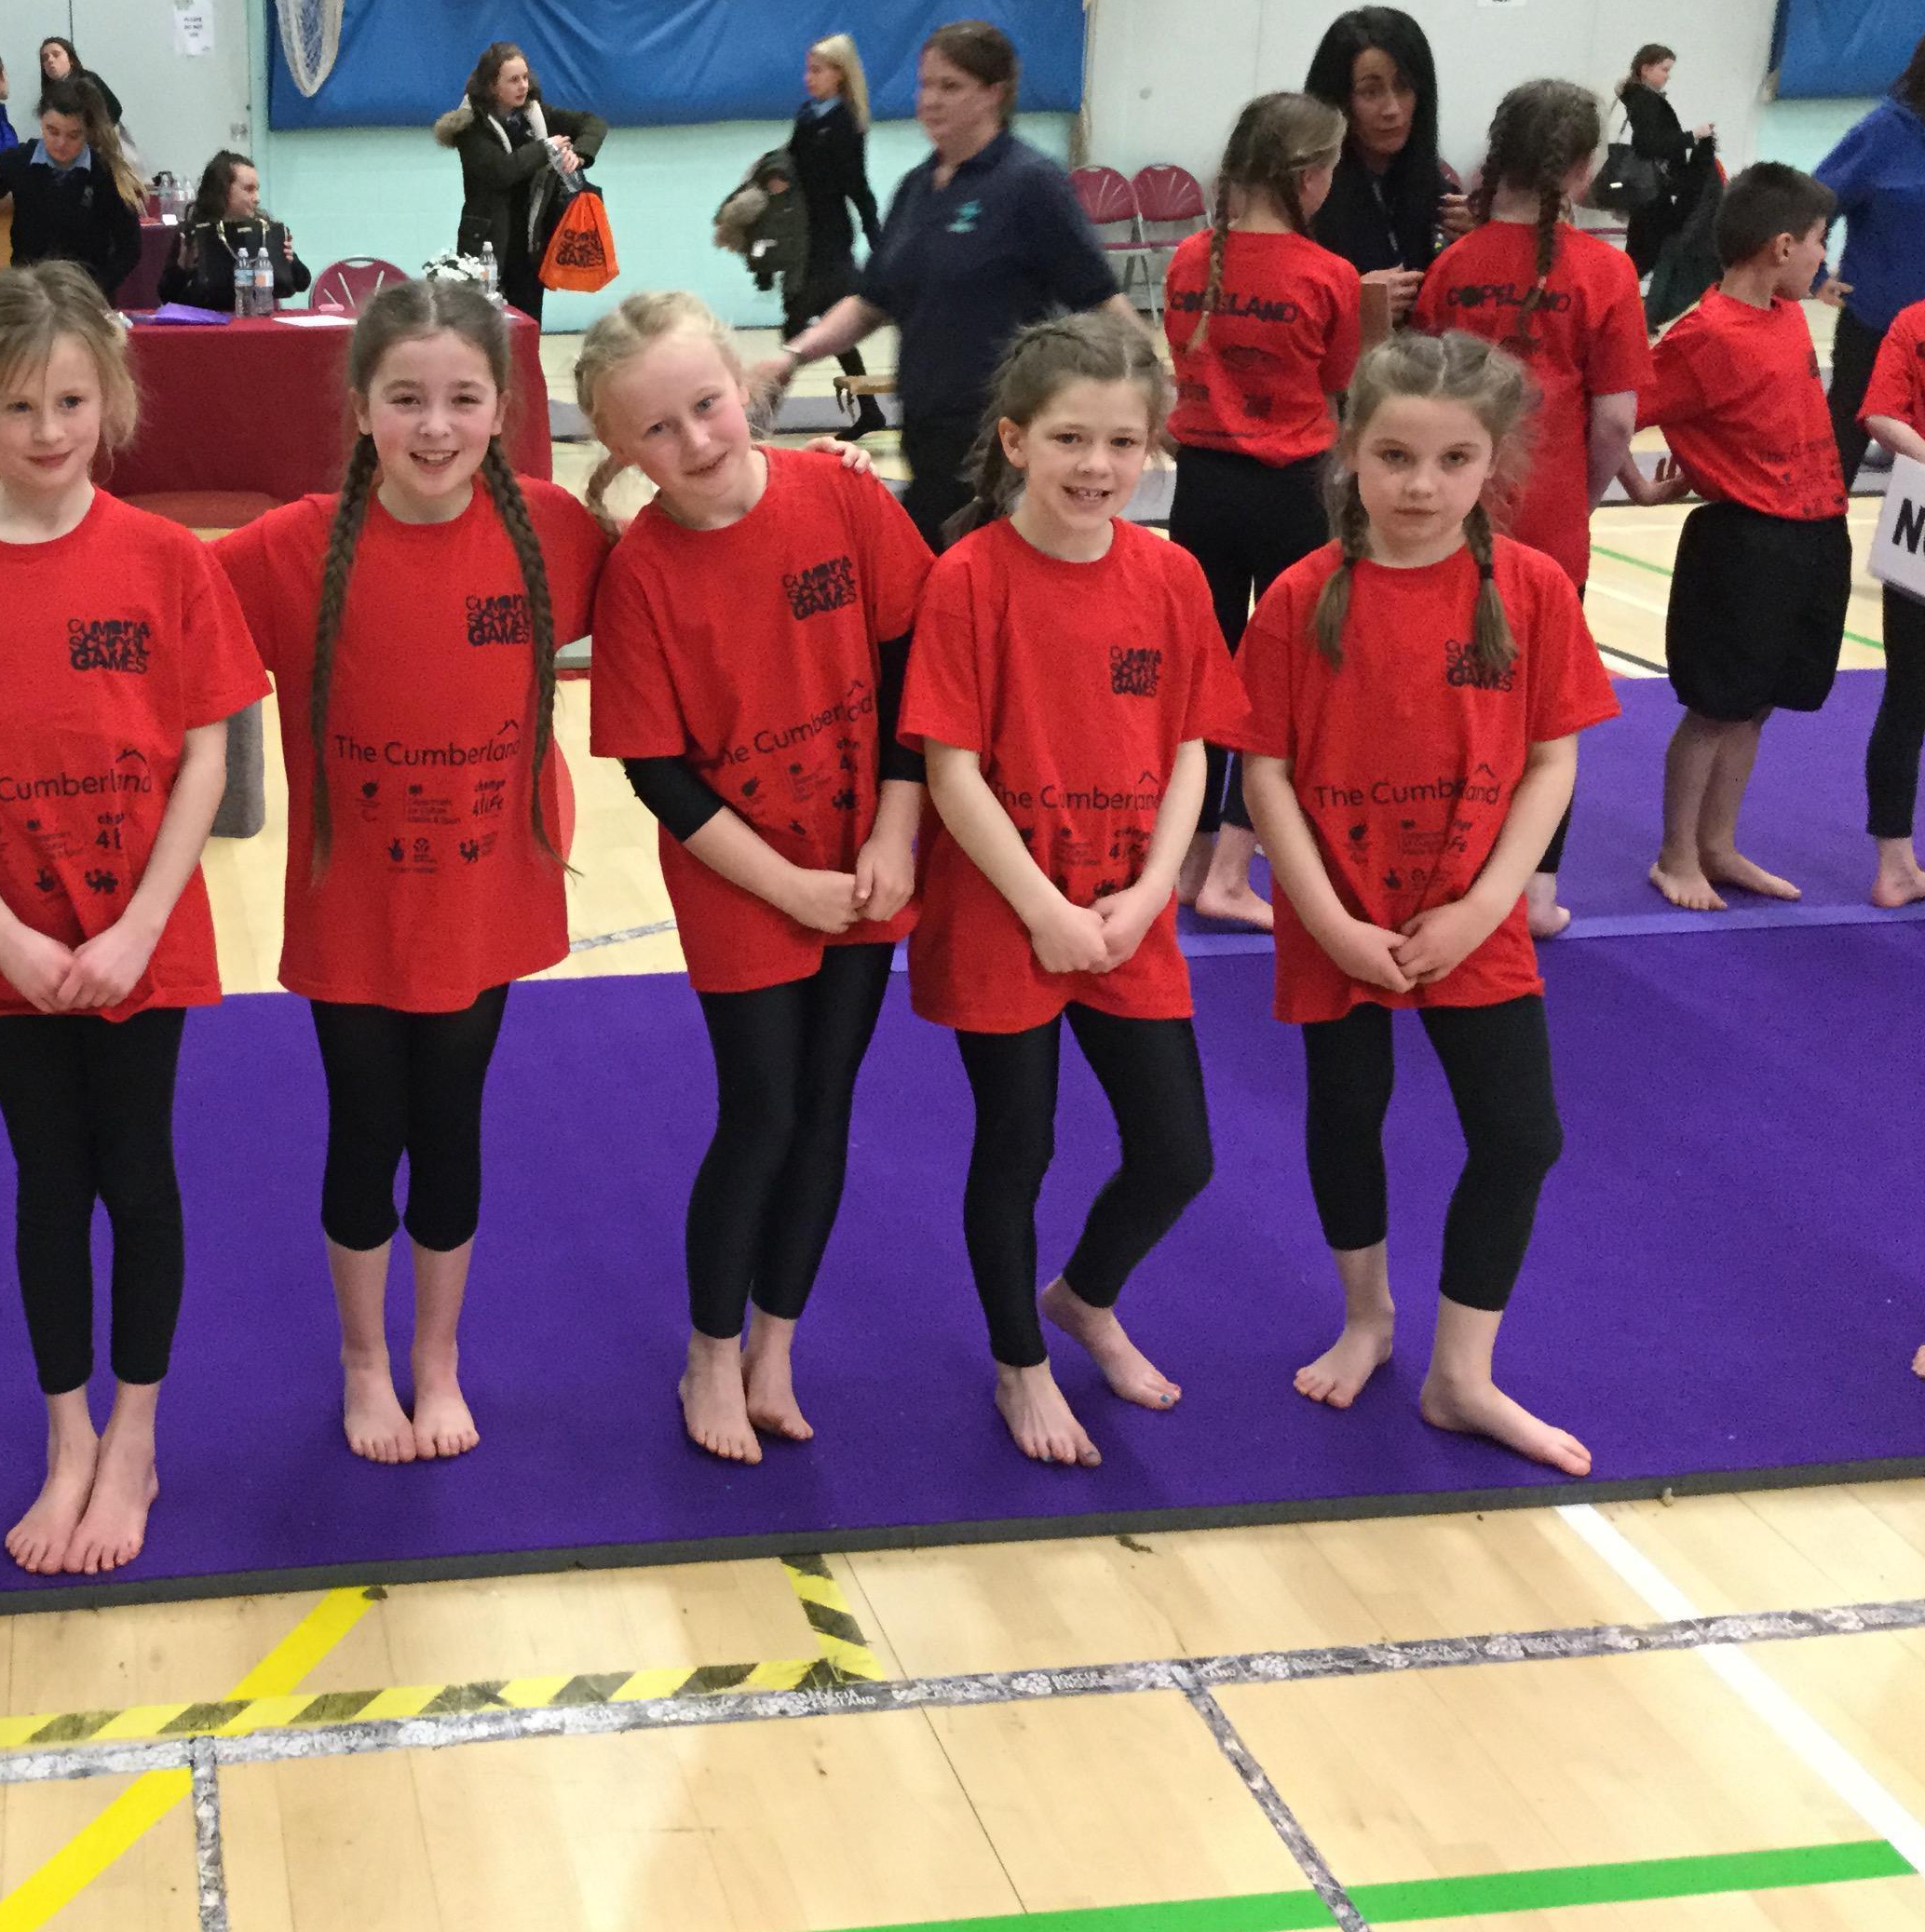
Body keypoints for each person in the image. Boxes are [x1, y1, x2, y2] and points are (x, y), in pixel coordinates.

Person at [0, 264, 267, 1576]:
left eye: (71, 401)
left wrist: (139, 927)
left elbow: (207, 748)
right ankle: (68, 1433)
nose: (47, 430)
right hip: (8, 943)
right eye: (18, 406)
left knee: (136, 1170)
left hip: (142, 935)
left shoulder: (166, 562)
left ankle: (135, 1436)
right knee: (48, 1179)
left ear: (110, 401)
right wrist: (0, 933)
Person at [212, 280, 605, 1462]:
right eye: (406, 399)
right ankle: (364, 1362)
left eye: (463, 399)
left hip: (482, 894)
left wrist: (813, 474)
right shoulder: (288, 549)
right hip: (356, 907)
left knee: (450, 1125)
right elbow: (147, 590)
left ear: (504, 407)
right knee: (364, 1127)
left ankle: (437, 1357)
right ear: (360, 407)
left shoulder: (552, 530)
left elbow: (697, 553)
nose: (435, 428)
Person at [1239, 331, 1616, 1479]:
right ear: (1351, 451)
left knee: (1522, 1135)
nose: (1421, 486)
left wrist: (1486, 905)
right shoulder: (1299, 599)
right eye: (1395, 457)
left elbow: (1552, 759)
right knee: (1348, 1113)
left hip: (1470, 910)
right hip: (1339, 907)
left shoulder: (1531, 589)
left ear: (1493, 463)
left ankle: (1462, 1374)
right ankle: (1368, 1316)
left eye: (1455, 461)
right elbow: (1265, 775)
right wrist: (1328, 921)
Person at [577, 289, 929, 1465]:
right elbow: (659, 776)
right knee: (764, 1109)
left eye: (707, 406)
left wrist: (892, 835)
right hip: (745, 884)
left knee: (826, 1107)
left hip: (864, 861)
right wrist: (785, 887)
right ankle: (711, 1350)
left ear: (744, 387)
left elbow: (913, 669)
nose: (694, 441)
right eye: (656, 429)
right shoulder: (642, 576)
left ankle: (776, 1347)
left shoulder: (842, 498)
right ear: (618, 448)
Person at [900, 312, 1241, 1469]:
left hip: (1126, 908)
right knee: (1020, 1144)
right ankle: (1020, 1361)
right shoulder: (969, 581)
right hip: (1008, 914)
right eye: (1069, 439)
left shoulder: (1171, 576)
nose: (1097, 466)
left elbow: (1192, 745)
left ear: (1152, 447)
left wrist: (1151, 895)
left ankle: (1083, 1297)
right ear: (1014, 441)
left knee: (1178, 1153)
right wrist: (1043, 909)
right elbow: (951, 769)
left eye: (1122, 442)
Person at [1415, 79, 1655, 937]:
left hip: (1449, 522)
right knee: (1542, 719)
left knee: (1447, 702)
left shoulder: (1455, 266)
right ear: (1582, 170)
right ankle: (1535, 889)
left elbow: (1420, 398)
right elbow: (1616, 420)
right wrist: (1580, 501)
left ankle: (1436, 869)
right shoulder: (1606, 272)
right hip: (1550, 528)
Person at [752, 20, 1133, 547]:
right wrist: (792, 356)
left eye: (950, 86)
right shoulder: (916, 189)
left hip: (1000, 445)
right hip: (925, 433)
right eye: (925, 84)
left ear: (995, 93)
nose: (930, 100)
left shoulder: (1030, 184)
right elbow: (871, 303)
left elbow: (1102, 300)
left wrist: (1149, 399)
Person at [1160, 91, 1365, 931]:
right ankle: (1231, 871)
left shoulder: (1187, 260)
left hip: (1202, 488)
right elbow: (1338, 387)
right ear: (1310, 178)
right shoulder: (1328, 276)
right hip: (1291, 491)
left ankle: (1189, 855)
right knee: (1282, 681)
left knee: (1200, 677)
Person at [1637, 163, 1850, 912]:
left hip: (1816, 531)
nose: (1824, 256)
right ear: (1781, 246)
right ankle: (1675, 855)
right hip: (1745, 543)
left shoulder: (1788, 315)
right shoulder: (1703, 335)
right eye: (1821, 241)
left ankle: (1718, 844)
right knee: (1717, 707)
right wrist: (1639, 485)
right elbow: (1617, 408)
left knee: (1759, 702)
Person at [1816, 26, 1925, 495]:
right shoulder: (1881, 133)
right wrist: (1816, 276)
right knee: (1841, 443)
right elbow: (1812, 204)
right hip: (1876, 326)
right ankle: (1817, 534)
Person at [1851, 289, 1925, 906]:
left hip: (1921, 515)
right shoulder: (1915, 323)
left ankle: (1895, 865)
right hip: (1921, 526)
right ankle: (1898, 869)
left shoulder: (1914, 320)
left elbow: (1882, 416)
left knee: (1906, 700)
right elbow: (1879, 414)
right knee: (1908, 700)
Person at [1301, 6, 1456, 322]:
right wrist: (1352, 299)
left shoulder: (1438, 191)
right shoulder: (1304, 194)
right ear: (1338, 99)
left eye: (1404, 87)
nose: (1392, 109)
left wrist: (1475, 241)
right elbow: (1279, 299)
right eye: (1371, 92)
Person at [435, 42, 607, 324]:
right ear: (491, 86)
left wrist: (579, 154)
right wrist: (545, 148)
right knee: (485, 327)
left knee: (528, 325)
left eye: (525, 77)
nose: (523, 86)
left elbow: (594, 123)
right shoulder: (471, 127)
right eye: (513, 80)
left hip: (528, 244)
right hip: (485, 246)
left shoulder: (536, 116)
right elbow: (502, 171)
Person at [0, 85, 142, 300]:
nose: (61, 143)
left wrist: (96, 289)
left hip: (85, 297)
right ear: (41, 121)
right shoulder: (21, 160)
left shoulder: (105, 173)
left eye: (73, 135)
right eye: (52, 131)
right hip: (30, 294)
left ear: (87, 132)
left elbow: (130, 248)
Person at [785, 34, 886, 441]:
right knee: (821, 327)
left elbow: (857, 187)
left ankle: (763, 409)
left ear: (840, 74)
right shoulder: (808, 115)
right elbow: (790, 165)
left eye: (817, 70)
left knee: (797, 324)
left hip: (830, 241)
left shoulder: (845, 123)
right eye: (808, 69)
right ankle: (870, 411)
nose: (808, 77)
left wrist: (878, 241)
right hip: (804, 237)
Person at [156, 150, 311, 313]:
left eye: (257, 189)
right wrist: (181, 268)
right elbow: (166, 295)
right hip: (206, 320)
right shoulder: (194, 233)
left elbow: (302, 283)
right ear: (222, 191)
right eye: (249, 189)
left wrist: (290, 262)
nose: (257, 198)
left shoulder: (265, 230)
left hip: (258, 317)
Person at [1612, 45, 1712, 280]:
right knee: (1648, 251)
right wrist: (1692, 136)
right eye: (1664, 70)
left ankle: (1624, 291)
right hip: (1652, 187)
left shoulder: (1641, 98)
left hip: (1648, 186)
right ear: (1646, 69)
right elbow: (1649, 144)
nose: (1668, 76)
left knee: (1643, 250)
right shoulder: (1645, 101)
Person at [38, 34, 122, 129]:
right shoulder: (49, 93)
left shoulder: (88, 80)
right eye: (45, 58)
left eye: (56, 55)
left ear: (71, 60)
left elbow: (115, 110)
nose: (50, 60)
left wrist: (96, 134)